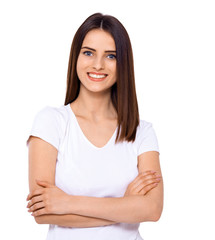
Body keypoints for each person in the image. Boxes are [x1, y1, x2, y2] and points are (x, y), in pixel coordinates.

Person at [26, 13, 163, 240]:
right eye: (88, 52)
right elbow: (43, 212)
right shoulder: (50, 122)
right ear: (75, 57)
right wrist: (126, 206)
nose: (98, 64)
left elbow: (153, 209)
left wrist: (68, 202)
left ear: (123, 63)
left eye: (111, 56)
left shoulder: (142, 131)